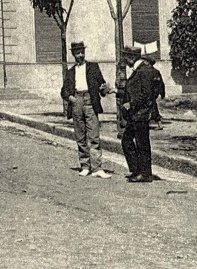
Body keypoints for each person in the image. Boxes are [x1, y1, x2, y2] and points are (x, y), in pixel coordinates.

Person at [60, 41, 111, 178]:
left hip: (90, 101)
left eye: (82, 52)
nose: (81, 55)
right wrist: (71, 98)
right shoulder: (71, 72)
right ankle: (85, 165)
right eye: (78, 53)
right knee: (80, 135)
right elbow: (63, 91)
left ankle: (97, 168)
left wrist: (104, 89)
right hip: (77, 101)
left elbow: (102, 85)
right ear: (73, 54)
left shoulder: (93, 67)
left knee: (94, 135)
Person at [121, 46, 160, 183]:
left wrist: (131, 104)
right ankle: (137, 170)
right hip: (135, 114)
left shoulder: (143, 71)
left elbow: (146, 94)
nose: (124, 60)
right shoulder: (138, 70)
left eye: (125, 57)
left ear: (131, 57)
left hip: (141, 113)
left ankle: (145, 173)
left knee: (142, 143)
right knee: (127, 140)